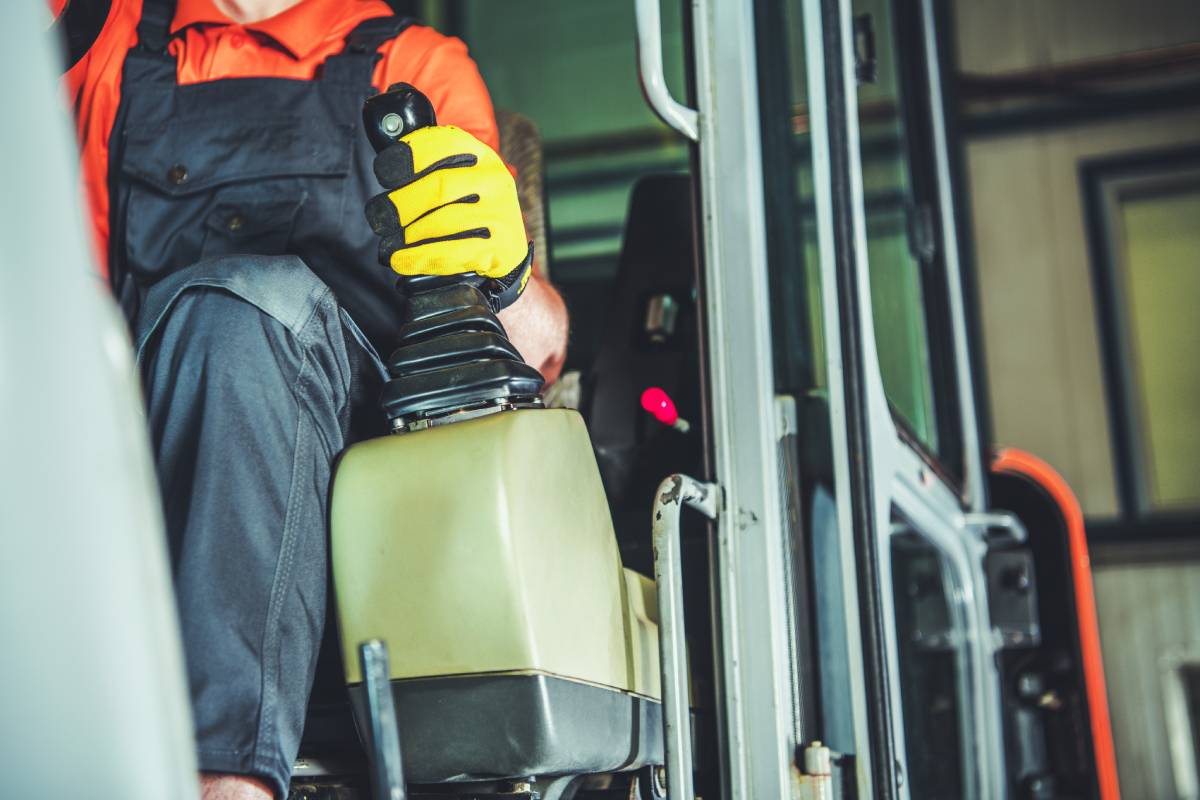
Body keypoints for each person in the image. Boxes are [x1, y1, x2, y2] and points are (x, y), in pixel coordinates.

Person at [61, 1, 569, 798]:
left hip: (368, 481)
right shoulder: (110, 41)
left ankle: (224, 784)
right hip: (158, 450)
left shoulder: (413, 61)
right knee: (226, 316)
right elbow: (66, 326)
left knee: (243, 311)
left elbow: (534, 354)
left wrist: (502, 276)